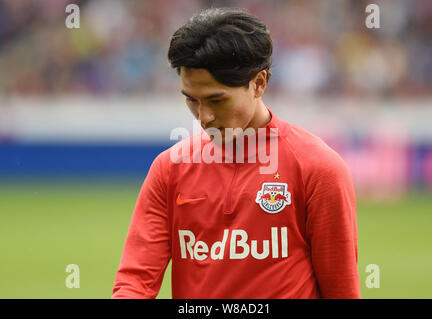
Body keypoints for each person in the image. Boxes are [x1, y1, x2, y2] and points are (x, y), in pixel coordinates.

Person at [112, 7, 360, 299]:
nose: (203, 117)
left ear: (258, 84)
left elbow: (340, 290)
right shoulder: (169, 169)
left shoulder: (318, 169)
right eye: (191, 100)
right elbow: (135, 283)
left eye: (216, 100)